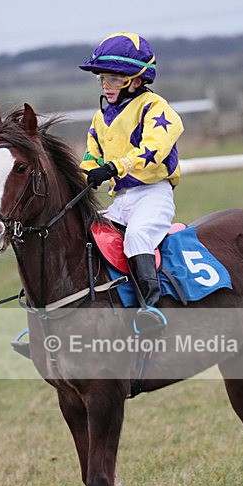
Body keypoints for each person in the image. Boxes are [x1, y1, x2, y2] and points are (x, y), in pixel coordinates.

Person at [79, 31, 184, 333]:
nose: (105, 85)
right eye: (102, 79)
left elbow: (153, 150)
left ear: (135, 80)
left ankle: (150, 310)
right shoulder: (101, 117)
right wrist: (86, 174)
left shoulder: (155, 108)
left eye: (112, 79)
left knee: (137, 236)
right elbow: (91, 156)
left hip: (153, 194)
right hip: (121, 199)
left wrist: (114, 167)